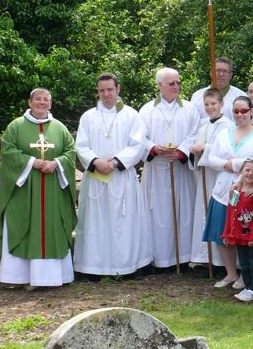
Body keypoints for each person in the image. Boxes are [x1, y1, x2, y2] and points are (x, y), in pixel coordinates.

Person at [0, 87, 78, 288]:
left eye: (46, 100)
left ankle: (52, 278)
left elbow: (71, 152)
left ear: (50, 104)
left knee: (52, 226)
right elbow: (8, 151)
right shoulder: (15, 126)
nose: (42, 103)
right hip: (24, 191)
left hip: (52, 190)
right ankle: (18, 278)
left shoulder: (59, 128)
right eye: (38, 99)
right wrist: (33, 162)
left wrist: (56, 163)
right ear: (30, 103)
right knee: (21, 223)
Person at [74, 73, 152, 278]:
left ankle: (126, 266)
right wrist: (96, 162)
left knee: (123, 223)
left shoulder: (131, 115)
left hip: (121, 178)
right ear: (98, 92)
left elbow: (137, 144)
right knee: (95, 223)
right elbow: (81, 145)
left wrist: (116, 162)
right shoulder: (89, 116)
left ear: (118, 89)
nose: (106, 94)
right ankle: (93, 268)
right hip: (96, 179)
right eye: (102, 90)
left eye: (110, 89)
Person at [140, 68, 202, 271]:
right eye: (171, 83)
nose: (176, 87)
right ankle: (159, 259)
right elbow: (139, 138)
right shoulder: (147, 110)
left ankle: (183, 257)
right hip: (157, 169)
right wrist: (154, 148)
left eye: (178, 82)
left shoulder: (190, 108)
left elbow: (195, 133)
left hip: (181, 169)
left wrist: (182, 151)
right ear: (159, 86)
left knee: (183, 212)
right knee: (157, 214)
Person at [203, 97, 253, 288]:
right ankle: (230, 273)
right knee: (222, 232)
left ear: (251, 111)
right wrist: (226, 164)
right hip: (223, 190)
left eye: (244, 111)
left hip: (247, 193)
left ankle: (243, 275)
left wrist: (236, 164)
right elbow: (209, 158)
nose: (240, 115)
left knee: (244, 232)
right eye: (236, 111)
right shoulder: (224, 133)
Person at [188, 88, 231, 272]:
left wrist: (205, 147)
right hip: (204, 178)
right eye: (207, 104)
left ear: (222, 104)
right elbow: (197, 157)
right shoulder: (203, 126)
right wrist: (195, 152)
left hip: (219, 178)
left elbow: (228, 151)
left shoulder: (228, 126)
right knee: (202, 215)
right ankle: (204, 259)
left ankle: (222, 263)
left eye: (213, 104)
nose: (210, 107)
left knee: (218, 217)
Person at [224, 157, 253, 302]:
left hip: (252, 238)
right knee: (244, 264)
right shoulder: (236, 192)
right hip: (238, 236)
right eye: (247, 170)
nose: (250, 173)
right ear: (241, 172)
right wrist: (228, 233)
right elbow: (231, 212)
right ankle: (247, 287)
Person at [190, 57, 246, 123]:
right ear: (211, 73)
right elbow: (192, 123)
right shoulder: (197, 96)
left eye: (225, 71)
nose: (221, 74)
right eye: (218, 70)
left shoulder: (241, 97)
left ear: (230, 75)